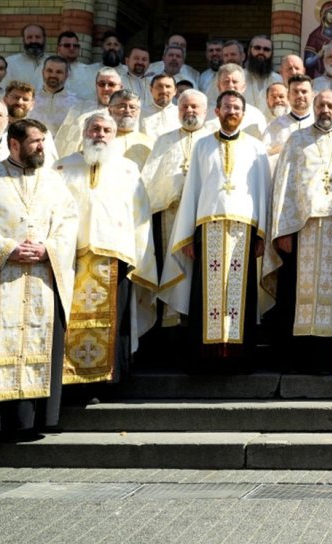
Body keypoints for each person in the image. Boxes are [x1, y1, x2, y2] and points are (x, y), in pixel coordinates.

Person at [0, 118, 78, 439]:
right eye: (35, 141)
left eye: (43, 141)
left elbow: (69, 223)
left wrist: (48, 249)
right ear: (14, 144)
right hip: (0, 282)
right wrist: (6, 248)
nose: (41, 147)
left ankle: (33, 422)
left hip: (42, 279)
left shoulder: (53, 181)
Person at [159, 91, 274, 370]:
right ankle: (206, 358)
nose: (231, 111)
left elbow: (263, 193)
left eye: (236, 108)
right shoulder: (202, 145)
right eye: (226, 107)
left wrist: (262, 235)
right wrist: (187, 235)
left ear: (243, 114)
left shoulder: (257, 148)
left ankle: (239, 358)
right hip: (207, 230)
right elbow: (192, 192)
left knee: (240, 295)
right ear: (217, 111)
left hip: (244, 231)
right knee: (206, 294)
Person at [53, 112, 157, 387]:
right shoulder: (62, 167)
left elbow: (140, 217)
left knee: (114, 322)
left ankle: (110, 382)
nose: (100, 134)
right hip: (70, 259)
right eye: (94, 129)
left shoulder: (128, 170)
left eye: (106, 130)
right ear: (84, 132)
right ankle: (71, 382)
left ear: (114, 135)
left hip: (114, 257)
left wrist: (139, 257)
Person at [264, 89, 332, 373]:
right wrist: (283, 230)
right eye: (320, 105)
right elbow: (283, 187)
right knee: (296, 294)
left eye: (330, 105)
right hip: (301, 230)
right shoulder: (296, 140)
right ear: (313, 107)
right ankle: (297, 358)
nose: (325, 110)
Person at [140, 89, 210, 315]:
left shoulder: (213, 140)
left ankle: (197, 318)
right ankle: (170, 323)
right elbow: (150, 180)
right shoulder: (165, 140)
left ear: (205, 111)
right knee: (170, 267)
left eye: (194, 106)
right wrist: (167, 195)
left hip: (202, 218)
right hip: (169, 215)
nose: (189, 110)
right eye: (184, 107)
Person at [263, 75, 315, 157]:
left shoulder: (318, 124)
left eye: (304, 91)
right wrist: (278, 150)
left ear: (312, 95)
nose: (300, 95)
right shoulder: (273, 126)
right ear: (288, 96)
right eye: (295, 92)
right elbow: (263, 156)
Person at [107, 89, 154, 168]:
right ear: (110, 110)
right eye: (122, 106)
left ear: (139, 111)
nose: (127, 111)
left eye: (132, 107)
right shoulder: (101, 140)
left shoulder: (149, 143)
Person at [3, 23, 47, 91]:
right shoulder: (9, 62)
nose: (34, 41)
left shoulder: (53, 63)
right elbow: (4, 89)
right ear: (23, 40)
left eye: (38, 37)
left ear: (44, 39)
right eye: (29, 37)